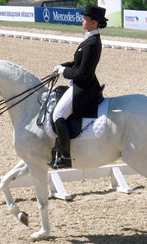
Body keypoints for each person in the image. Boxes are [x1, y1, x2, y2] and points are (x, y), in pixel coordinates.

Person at [47, 5, 108, 169]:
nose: (82, 20)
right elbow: (77, 62)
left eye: (85, 19)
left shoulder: (92, 43)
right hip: (80, 83)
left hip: (84, 87)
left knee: (58, 115)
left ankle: (65, 157)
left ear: (94, 23)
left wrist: (64, 71)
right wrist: (62, 66)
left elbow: (82, 73)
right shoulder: (89, 38)